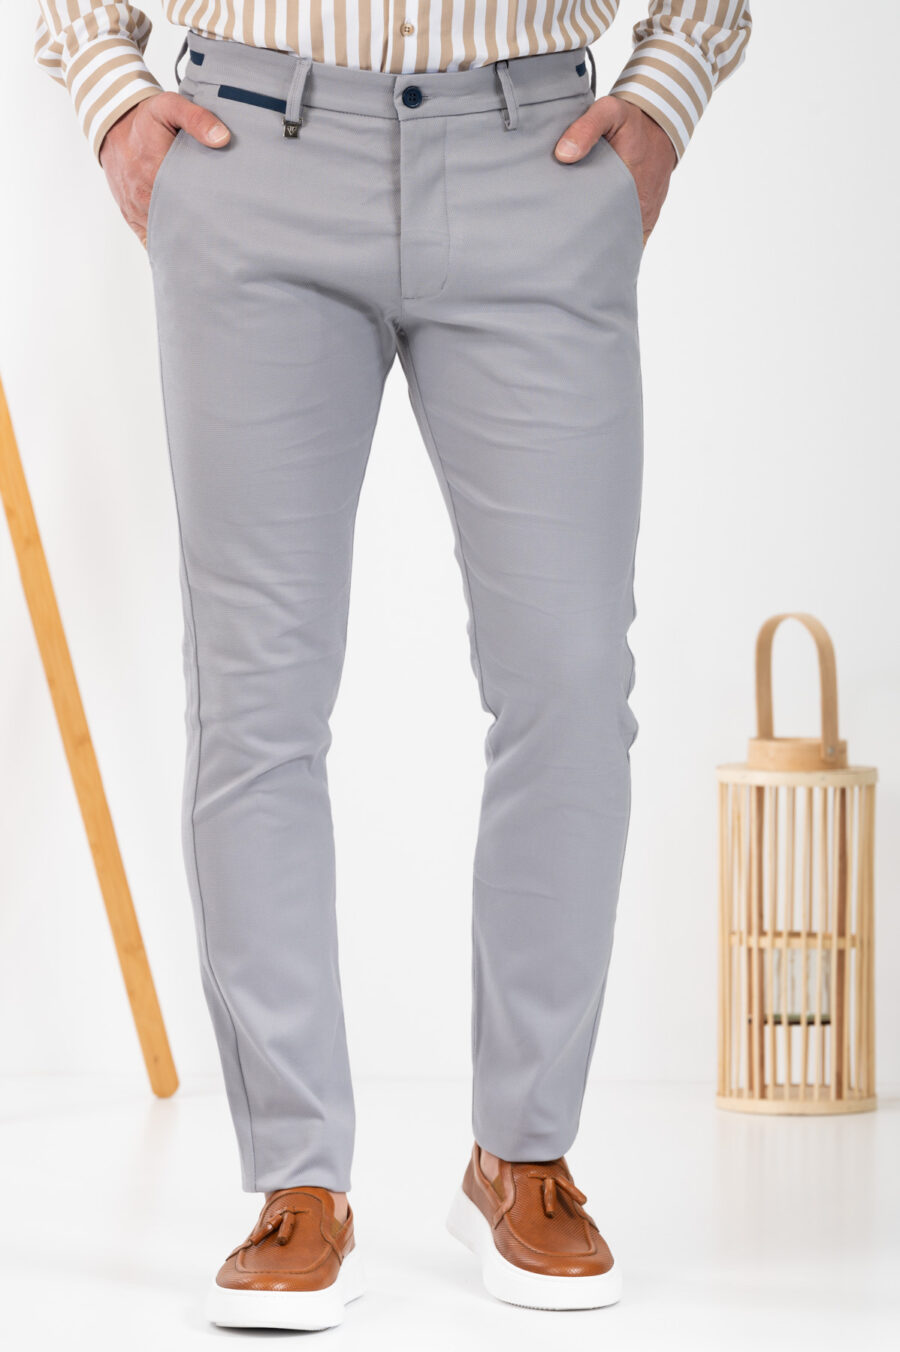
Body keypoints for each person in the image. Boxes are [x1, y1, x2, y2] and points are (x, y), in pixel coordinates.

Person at [34, 0, 752, 1330]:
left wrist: (665, 98)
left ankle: (524, 1155)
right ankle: (296, 1181)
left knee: (570, 681)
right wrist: (110, 96)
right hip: (251, 157)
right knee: (257, 694)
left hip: (538, 160)